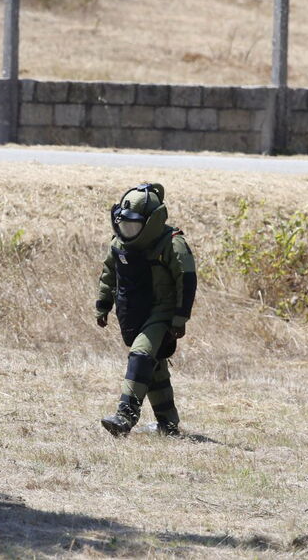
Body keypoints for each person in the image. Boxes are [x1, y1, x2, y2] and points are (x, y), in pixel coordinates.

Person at [95, 183, 197, 437]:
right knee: (153, 369)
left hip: (161, 313)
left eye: (133, 225)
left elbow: (187, 280)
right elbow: (109, 275)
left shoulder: (173, 244)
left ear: (151, 222)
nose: (127, 230)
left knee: (140, 355)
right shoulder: (118, 244)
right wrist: (103, 304)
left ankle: (124, 416)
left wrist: (179, 318)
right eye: (123, 224)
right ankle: (168, 425)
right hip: (133, 313)